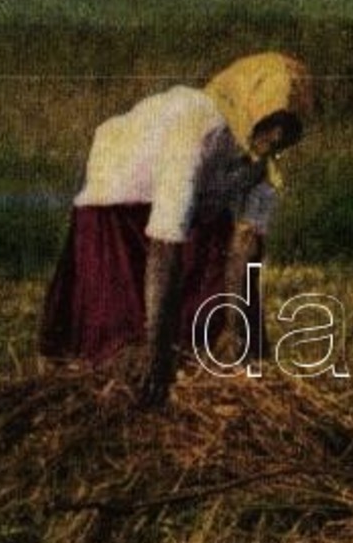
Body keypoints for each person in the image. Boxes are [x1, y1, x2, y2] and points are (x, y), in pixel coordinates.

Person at [39, 52, 313, 406]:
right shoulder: (198, 127)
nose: (278, 135)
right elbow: (165, 246)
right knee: (120, 340)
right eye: (273, 121)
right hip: (119, 204)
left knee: (206, 324)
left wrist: (247, 348)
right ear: (252, 107)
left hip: (192, 215)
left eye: (290, 127)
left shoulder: (263, 165)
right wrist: (158, 357)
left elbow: (245, 253)